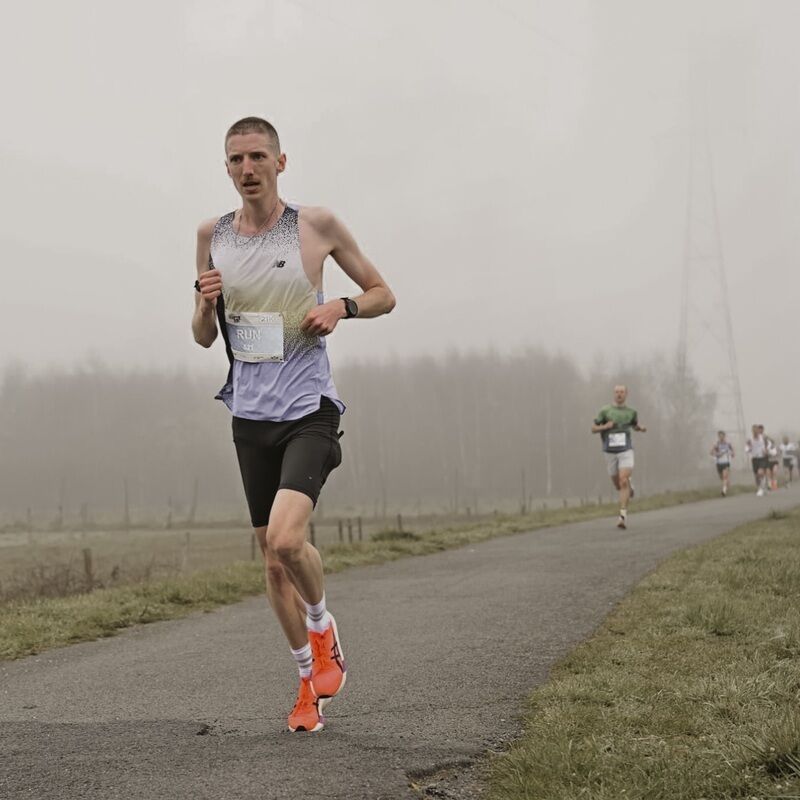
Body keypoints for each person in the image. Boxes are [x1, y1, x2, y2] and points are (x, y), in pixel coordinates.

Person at [192, 117, 395, 732]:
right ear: (226, 168)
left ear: (280, 162)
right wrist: (204, 303)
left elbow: (383, 293)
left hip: (309, 410)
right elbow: (203, 336)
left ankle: (322, 625)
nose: (247, 169)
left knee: (285, 540)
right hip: (249, 416)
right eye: (236, 159)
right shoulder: (211, 235)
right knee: (272, 561)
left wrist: (341, 307)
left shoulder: (316, 225)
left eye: (258, 156)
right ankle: (308, 681)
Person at [591, 385, 647, 529]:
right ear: (613, 394)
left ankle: (622, 517)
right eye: (617, 392)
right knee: (618, 485)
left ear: (626, 394)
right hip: (609, 452)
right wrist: (605, 427)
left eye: (621, 392)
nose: (619, 394)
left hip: (625, 450)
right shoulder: (605, 411)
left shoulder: (631, 412)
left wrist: (640, 428)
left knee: (623, 481)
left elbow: (634, 425)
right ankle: (629, 485)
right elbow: (593, 428)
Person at [745, 424, 768, 496]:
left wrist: (765, 450)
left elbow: (766, 444)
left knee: (760, 472)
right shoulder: (749, 439)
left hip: (762, 457)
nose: (755, 432)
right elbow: (746, 448)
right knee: (756, 476)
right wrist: (748, 449)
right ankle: (759, 487)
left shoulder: (763, 437)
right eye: (753, 430)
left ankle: (761, 488)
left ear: (758, 431)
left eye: (756, 430)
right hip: (754, 458)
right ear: (752, 431)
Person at [710, 430, 734, 496]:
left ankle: (724, 491)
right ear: (718, 436)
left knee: (725, 476)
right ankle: (727, 485)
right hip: (719, 463)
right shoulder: (716, 444)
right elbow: (711, 452)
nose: (721, 437)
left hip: (726, 462)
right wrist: (717, 454)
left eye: (722, 436)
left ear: (724, 436)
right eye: (720, 436)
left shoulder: (728, 444)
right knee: (722, 478)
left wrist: (732, 454)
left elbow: (732, 451)